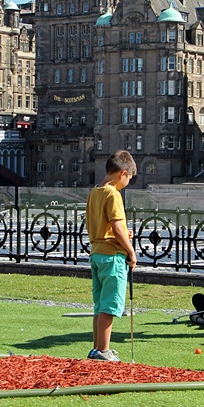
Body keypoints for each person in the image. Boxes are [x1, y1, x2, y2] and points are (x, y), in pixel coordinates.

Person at [84, 150, 137, 361]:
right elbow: (116, 228)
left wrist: (124, 232)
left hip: (96, 253)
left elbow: (104, 226)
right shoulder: (113, 194)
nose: (128, 183)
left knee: (99, 305)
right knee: (110, 305)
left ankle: (97, 347)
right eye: (129, 178)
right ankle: (104, 351)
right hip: (112, 256)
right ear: (123, 173)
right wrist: (130, 251)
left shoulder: (94, 192)